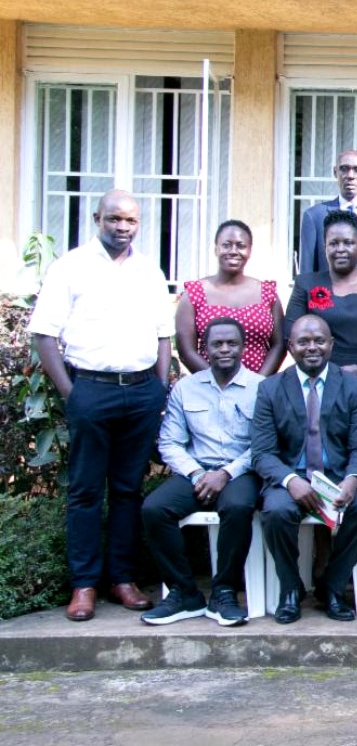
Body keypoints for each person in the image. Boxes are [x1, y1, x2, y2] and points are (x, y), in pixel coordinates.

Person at [29, 190, 173, 622]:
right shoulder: (70, 267)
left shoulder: (149, 271)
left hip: (141, 391)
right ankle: (84, 584)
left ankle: (123, 579)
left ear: (138, 224)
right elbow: (43, 336)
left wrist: (159, 390)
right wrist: (73, 395)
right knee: (86, 491)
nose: (122, 227)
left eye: (130, 220)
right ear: (97, 218)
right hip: (90, 389)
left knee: (129, 490)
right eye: (114, 219)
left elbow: (164, 335)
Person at [252, 315, 357, 624]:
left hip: (338, 476)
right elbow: (262, 453)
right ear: (290, 346)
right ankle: (290, 588)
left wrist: (352, 479)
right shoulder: (270, 389)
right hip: (289, 479)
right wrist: (290, 480)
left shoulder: (353, 386)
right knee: (276, 512)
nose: (312, 347)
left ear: (331, 345)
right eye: (304, 342)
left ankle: (333, 586)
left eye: (319, 341)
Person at [141, 318, 264, 627]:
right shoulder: (186, 388)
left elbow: (264, 444)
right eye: (217, 344)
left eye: (231, 343)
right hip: (195, 472)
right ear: (204, 349)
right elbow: (169, 441)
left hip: (241, 473)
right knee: (154, 509)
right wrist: (197, 474)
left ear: (242, 347)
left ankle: (224, 592)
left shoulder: (261, 388)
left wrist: (226, 473)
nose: (224, 349)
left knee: (237, 507)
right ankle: (184, 593)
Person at [284, 210, 357, 384]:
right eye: (333, 243)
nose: (340, 249)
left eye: (348, 243)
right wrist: (326, 373)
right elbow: (291, 335)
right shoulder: (306, 284)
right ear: (325, 247)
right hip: (317, 380)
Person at [176, 219, 286, 377]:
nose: (233, 251)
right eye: (226, 245)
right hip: (210, 389)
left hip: (259, 390)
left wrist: (258, 383)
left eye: (241, 245)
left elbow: (279, 345)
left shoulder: (267, 293)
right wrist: (218, 383)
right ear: (215, 249)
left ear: (249, 250)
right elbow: (186, 351)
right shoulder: (194, 293)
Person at [298, 149, 357, 275]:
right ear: (335, 172)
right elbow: (306, 272)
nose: (350, 175)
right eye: (344, 169)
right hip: (329, 292)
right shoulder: (314, 216)